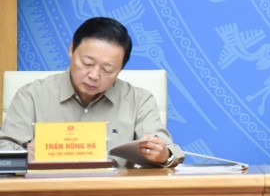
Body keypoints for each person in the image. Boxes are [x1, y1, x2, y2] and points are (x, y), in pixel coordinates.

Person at [0, 17, 184, 168]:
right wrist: (25, 157)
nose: (94, 75)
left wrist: (163, 155)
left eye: (108, 69)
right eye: (87, 63)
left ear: (120, 69)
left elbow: (168, 150)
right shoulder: (31, 95)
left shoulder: (139, 101)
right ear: (72, 50)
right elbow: (4, 152)